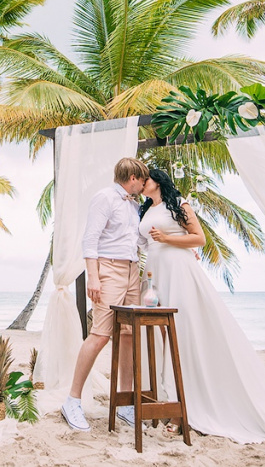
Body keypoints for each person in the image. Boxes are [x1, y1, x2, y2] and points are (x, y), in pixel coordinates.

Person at [139, 168, 265, 443]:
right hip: (154, 272)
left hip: (178, 271)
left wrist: (167, 238)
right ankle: (166, 399)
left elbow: (199, 238)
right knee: (160, 338)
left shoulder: (179, 204)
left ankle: (182, 410)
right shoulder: (145, 209)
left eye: (145, 179)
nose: (141, 183)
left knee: (183, 336)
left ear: (158, 181)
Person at [61, 157, 149, 432]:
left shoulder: (134, 205)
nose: (144, 185)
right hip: (108, 269)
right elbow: (90, 239)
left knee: (128, 335)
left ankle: (124, 402)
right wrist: (94, 277)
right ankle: (72, 400)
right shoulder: (105, 198)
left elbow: (138, 240)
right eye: (142, 180)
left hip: (132, 269)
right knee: (100, 335)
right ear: (133, 178)